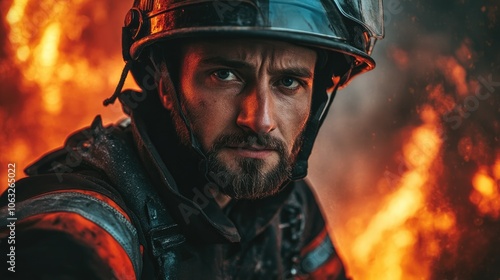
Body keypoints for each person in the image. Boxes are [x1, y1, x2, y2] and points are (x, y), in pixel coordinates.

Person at [1, 0, 383, 279]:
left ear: (314, 97)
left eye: (288, 83)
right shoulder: (91, 209)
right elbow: (62, 245)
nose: (260, 120)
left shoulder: (290, 208)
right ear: (165, 83)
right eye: (225, 75)